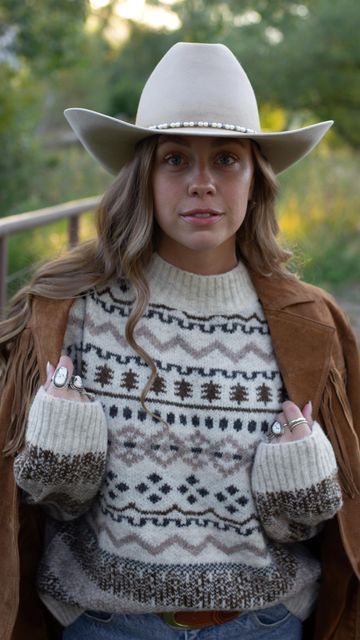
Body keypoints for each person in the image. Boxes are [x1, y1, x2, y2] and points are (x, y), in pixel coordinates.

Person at [0, 42, 359, 640]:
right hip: (106, 626)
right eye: (175, 160)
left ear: (255, 180)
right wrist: (61, 462)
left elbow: (325, 528)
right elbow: (42, 511)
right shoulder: (69, 311)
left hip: (263, 627)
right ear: (144, 174)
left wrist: (302, 489)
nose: (201, 183)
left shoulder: (310, 324)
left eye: (225, 159)